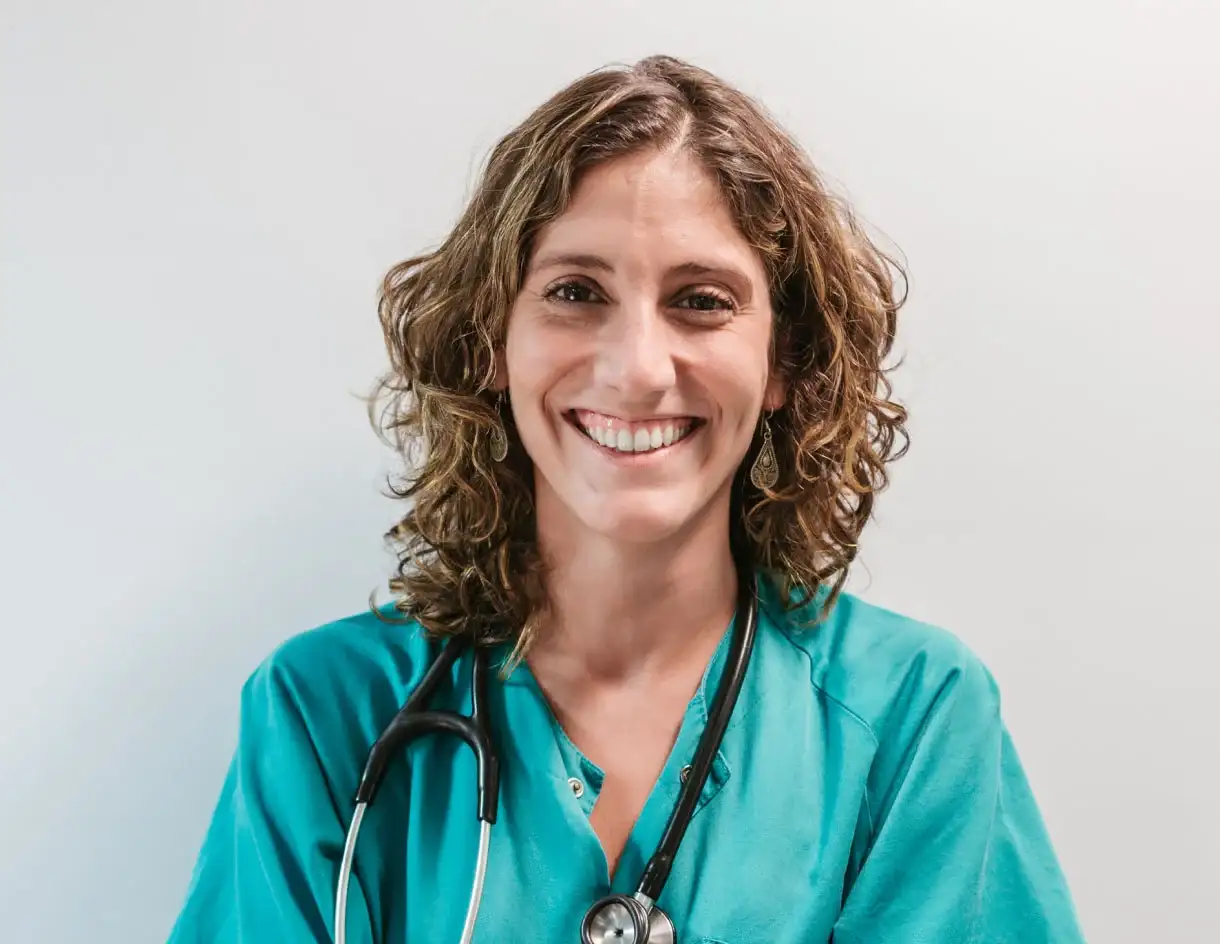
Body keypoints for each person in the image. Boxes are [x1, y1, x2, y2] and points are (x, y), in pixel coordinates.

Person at [167, 55, 1085, 943]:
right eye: (574, 291)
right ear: (492, 340)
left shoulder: (914, 718)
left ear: (785, 362)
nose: (638, 369)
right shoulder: (325, 716)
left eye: (702, 301)